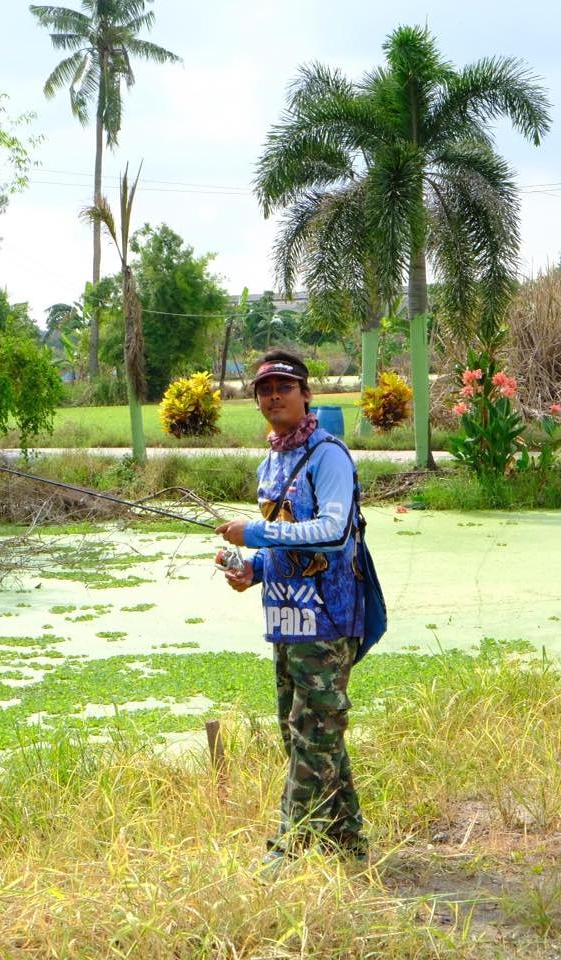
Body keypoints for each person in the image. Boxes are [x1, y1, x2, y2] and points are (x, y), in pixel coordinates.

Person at [215, 349, 367, 870]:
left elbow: (333, 530)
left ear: (306, 394)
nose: (273, 395)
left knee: (314, 737)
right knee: (304, 736)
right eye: (264, 389)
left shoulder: (329, 456)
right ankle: (348, 843)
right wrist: (252, 568)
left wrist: (254, 531)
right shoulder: (270, 463)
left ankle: (285, 852)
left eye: (284, 386)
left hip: (328, 623)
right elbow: (284, 546)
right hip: (285, 618)